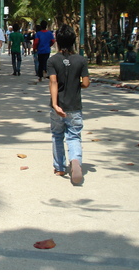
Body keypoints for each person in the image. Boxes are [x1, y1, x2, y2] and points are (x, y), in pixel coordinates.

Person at [47, 24, 90, 185]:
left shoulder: (53, 60)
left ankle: (59, 167)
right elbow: (86, 83)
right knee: (73, 136)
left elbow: (53, 82)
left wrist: (55, 104)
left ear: (57, 41)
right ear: (73, 41)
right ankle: (75, 160)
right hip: (75, 105)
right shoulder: (81, 60)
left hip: (57, 106)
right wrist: (76, 83)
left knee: (57, 135)